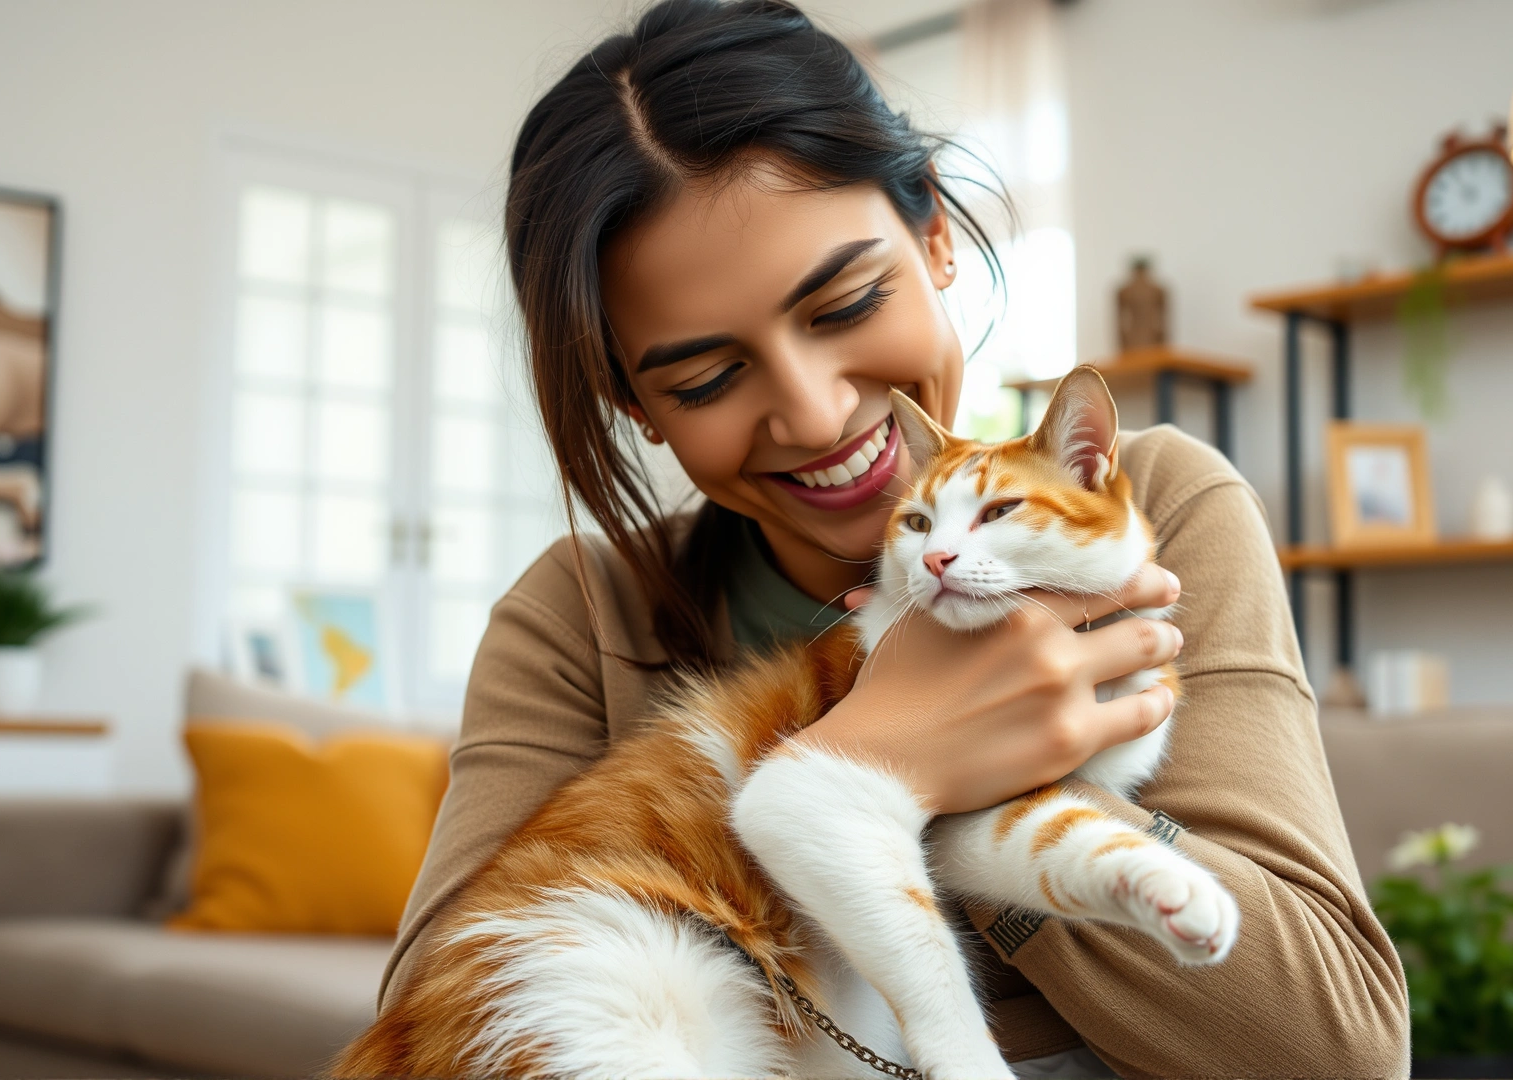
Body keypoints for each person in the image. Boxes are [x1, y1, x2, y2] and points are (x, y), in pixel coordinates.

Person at [379, 1, 1408, 1075]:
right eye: (706, 378)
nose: (817, 415)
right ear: (638, 407)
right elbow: (429, 1033)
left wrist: (972, 817)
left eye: (847, 302)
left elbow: (1334, 1048)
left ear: (936, 239)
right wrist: (887, 758)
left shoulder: (1157, 506)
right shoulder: (582, 612)